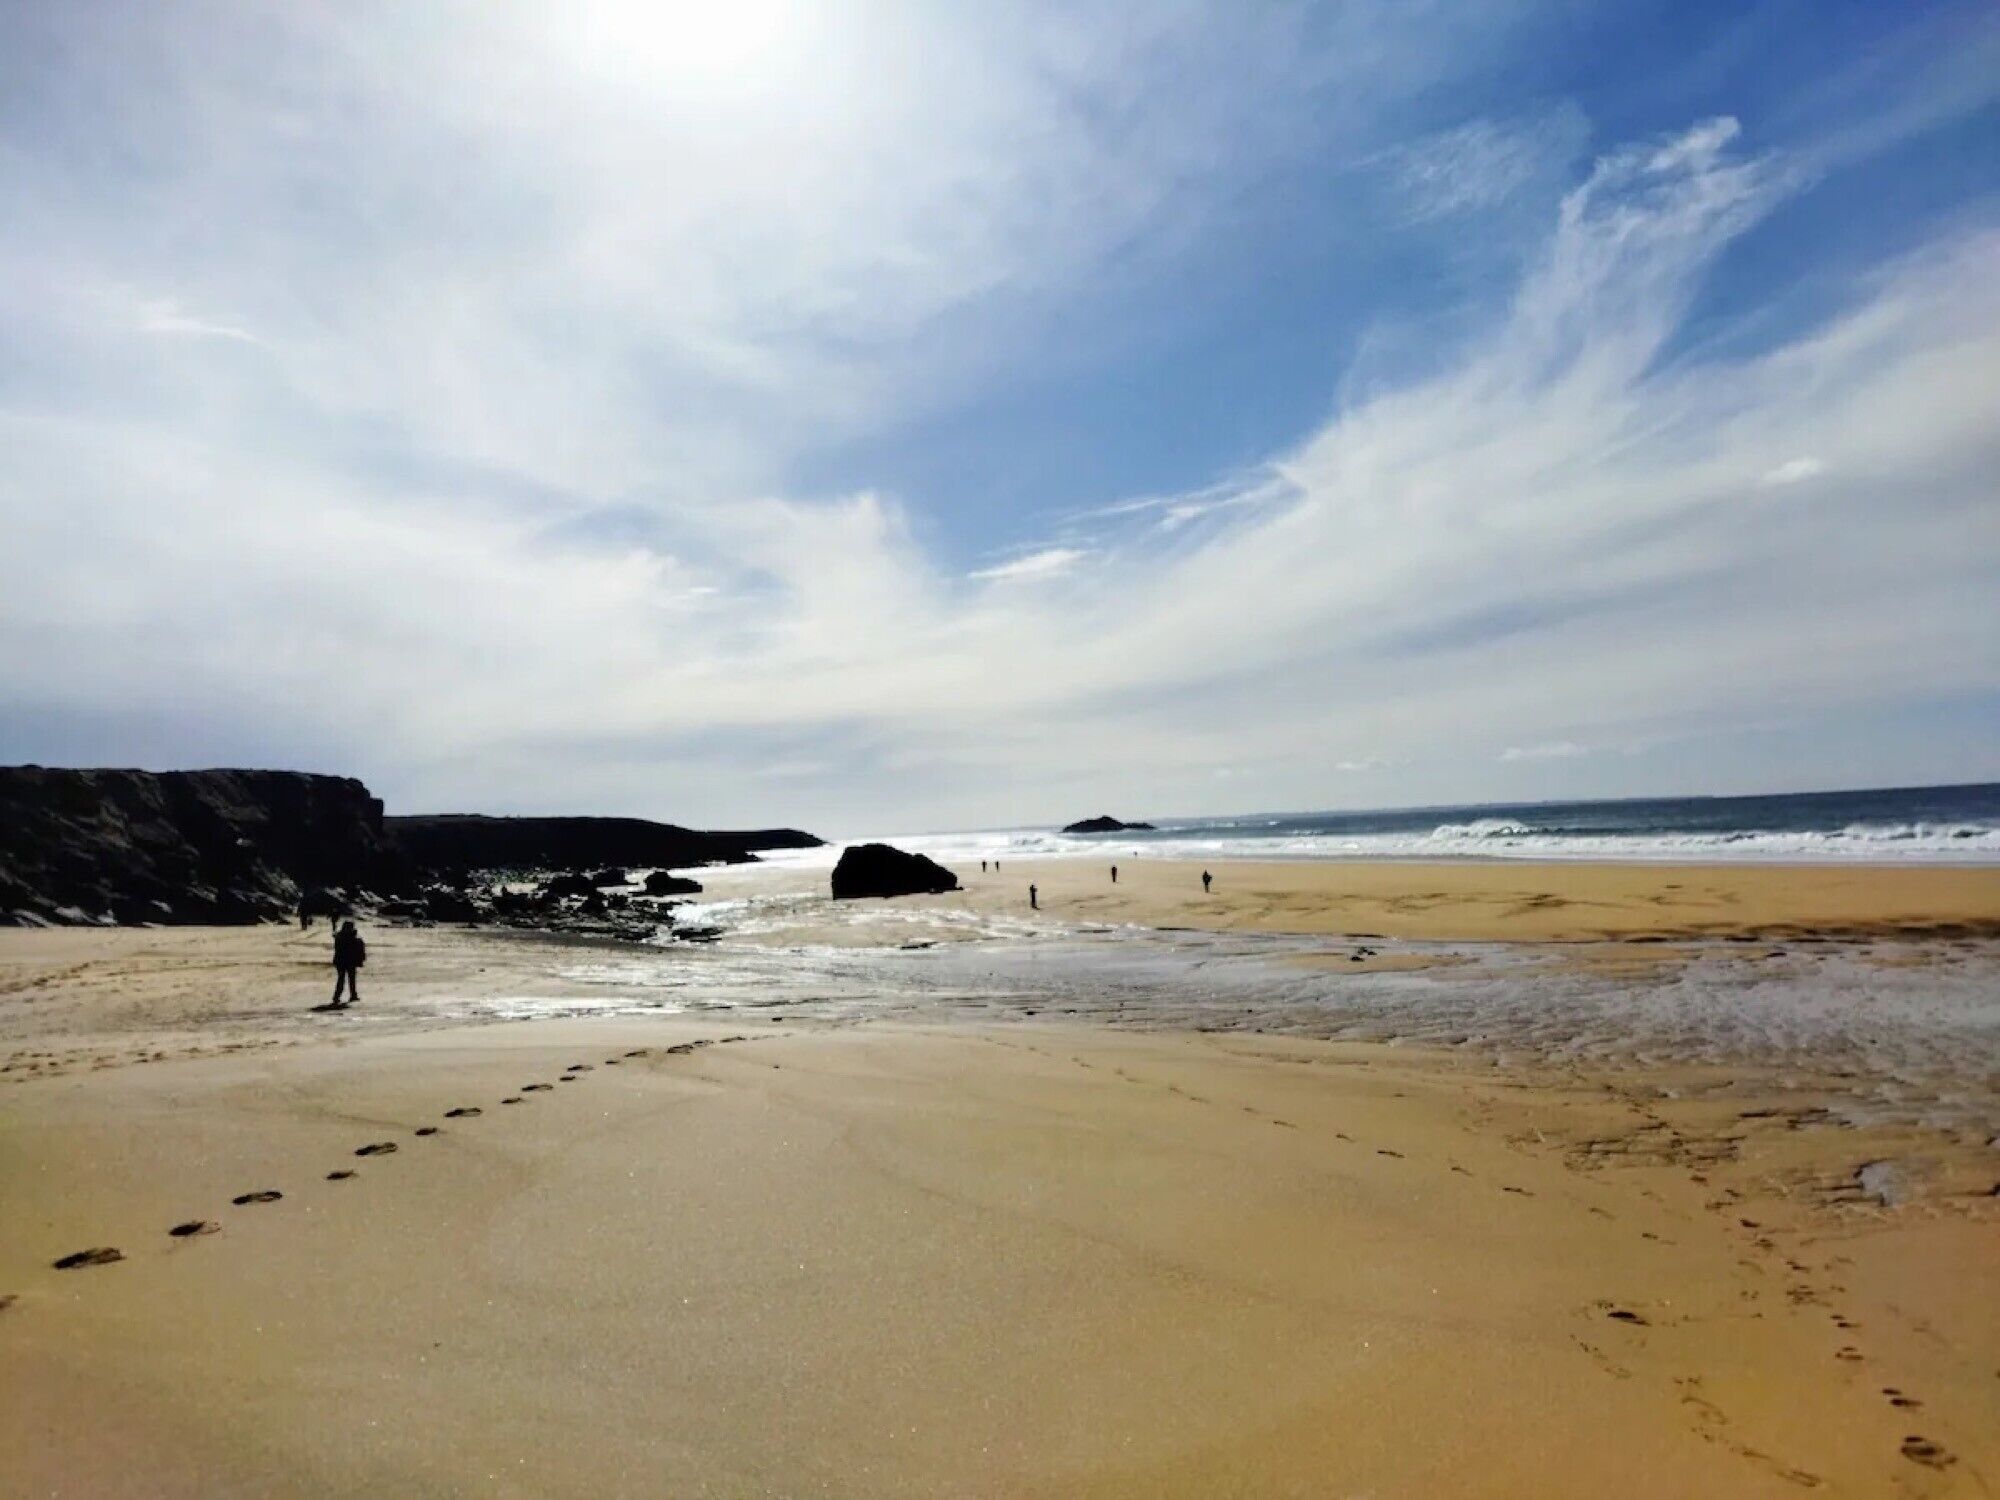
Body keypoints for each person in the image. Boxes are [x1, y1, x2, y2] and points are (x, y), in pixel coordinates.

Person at [330, 919, 366, 1007]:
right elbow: (357, 948)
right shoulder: (351, 937)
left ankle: (339, 996)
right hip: (348, 960)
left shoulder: (340, 936)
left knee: (343, 979)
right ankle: (350, 995)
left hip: (341, 960)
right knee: (349, 979)